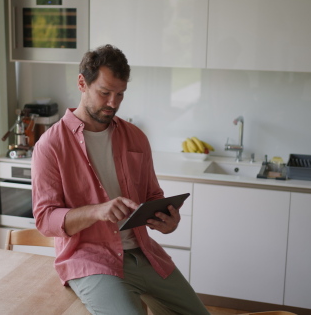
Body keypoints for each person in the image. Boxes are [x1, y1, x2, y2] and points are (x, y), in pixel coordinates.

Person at [31, 44, 209, 315]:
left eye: (120, 95)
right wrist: (97, 211)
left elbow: (152, 196)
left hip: (145, 254)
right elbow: (45, 220)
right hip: (91, 260)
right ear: (82, 83)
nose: (113, 103)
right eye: (105, 93)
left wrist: (167, 220)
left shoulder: (136, 137)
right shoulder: (51, 145)